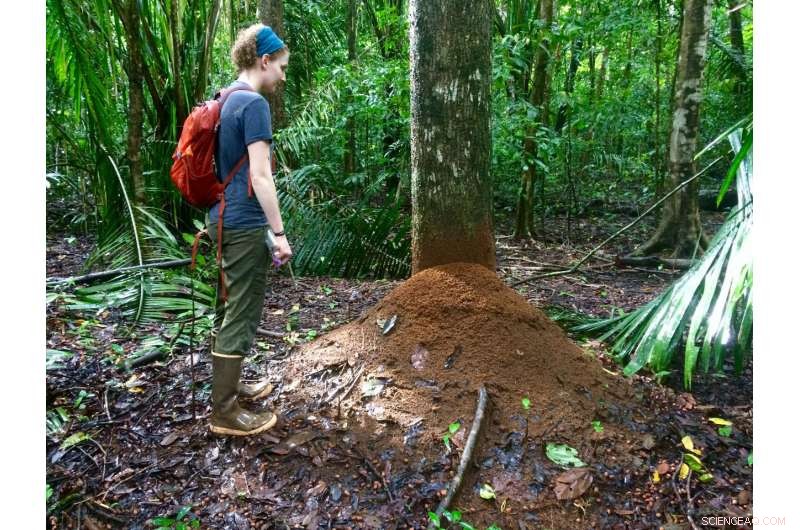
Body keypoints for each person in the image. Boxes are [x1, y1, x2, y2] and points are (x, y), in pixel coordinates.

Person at [207, 23, 292, 436]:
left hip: (221, 216)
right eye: (281, 66)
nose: (282, 75)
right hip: (242, 222)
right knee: (240, 311)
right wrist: (278, 232)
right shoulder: (254, 104)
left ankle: (230, 388)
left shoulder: (224, 98)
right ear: (264, 61)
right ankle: (224, 411)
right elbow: (260, 176)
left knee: (229, 305)